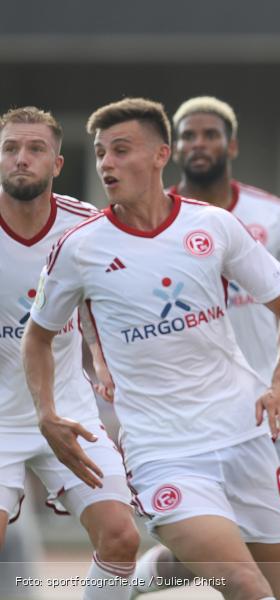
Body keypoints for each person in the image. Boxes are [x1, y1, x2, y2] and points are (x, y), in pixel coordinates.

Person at [22, 97, 280, 600]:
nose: (107, 164)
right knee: (245, 585)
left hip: (244, 435)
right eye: (100, 153)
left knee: (277, 591)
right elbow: (38, 337)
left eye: (121, 150)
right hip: (163, 452)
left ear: (161, 155)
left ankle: (138, 582)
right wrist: (46, 413)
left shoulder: (212, 225)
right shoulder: (79, 247)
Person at [128, 96, 280, 600]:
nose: (198, 143)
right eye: (188, 135)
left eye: (210, 134)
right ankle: (130, 583)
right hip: (202, 409)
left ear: (231, 146)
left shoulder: (273, 215)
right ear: (172, 149)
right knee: (223, 547)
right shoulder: (153, 221)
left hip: (278, 397)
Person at [0, 106, 139, 599]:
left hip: (68, 411)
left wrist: (105, 357)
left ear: (57, 163)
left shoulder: (88, 228)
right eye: (10, 148)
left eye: (35, 148)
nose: (21, 158)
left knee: (121, 538)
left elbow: (114, 302)